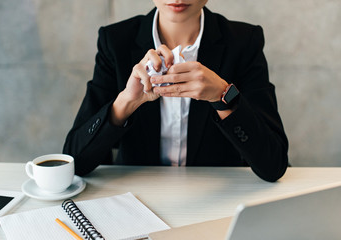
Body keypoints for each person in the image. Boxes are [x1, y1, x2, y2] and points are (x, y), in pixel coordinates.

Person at [63, 0, 289, 182]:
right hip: (137, 197)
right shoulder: (115, 41)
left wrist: (223, 95)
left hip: (218, 198)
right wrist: (125, 102)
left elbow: (273, 165)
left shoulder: (244, 42)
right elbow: (75, 163)